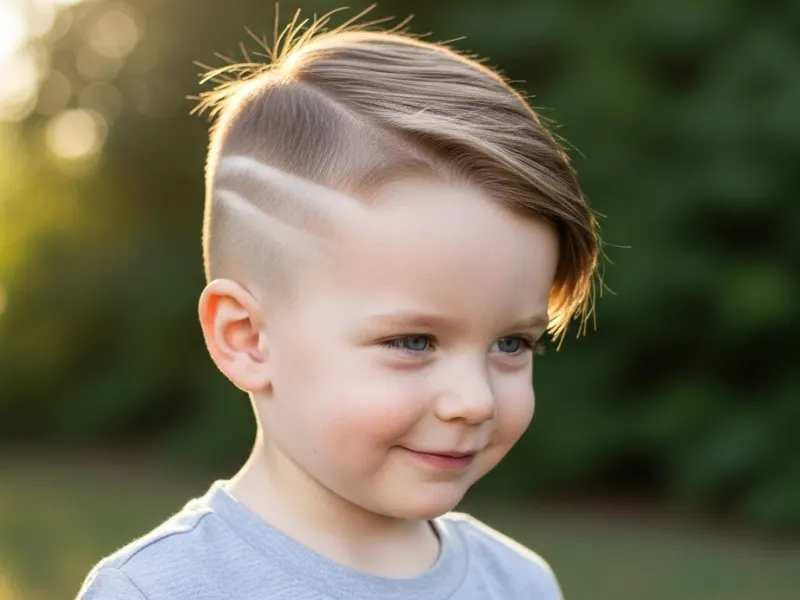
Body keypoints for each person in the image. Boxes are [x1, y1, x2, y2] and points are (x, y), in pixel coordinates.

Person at [76, 6, 600, 599]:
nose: (475, 401)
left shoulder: (521, 584)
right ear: (247, 337)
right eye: (412, 341)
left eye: (513, 343)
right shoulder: (156, 590)